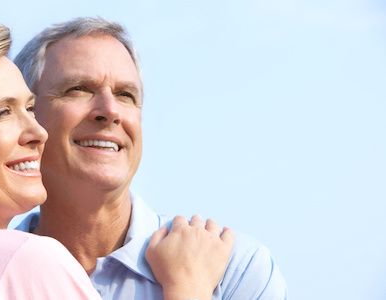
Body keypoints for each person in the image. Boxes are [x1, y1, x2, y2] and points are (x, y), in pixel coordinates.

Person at [0, 23, 234, 300]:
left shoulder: (240, 268)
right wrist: (189, 288)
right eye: (2, 112)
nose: (38, 132)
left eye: (28, 108)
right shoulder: (22, 261)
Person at [14, 16, 288, 299]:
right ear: (26, 118)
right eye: (79, 89)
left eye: (125, 95)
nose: (110, 110)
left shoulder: (236, 270)